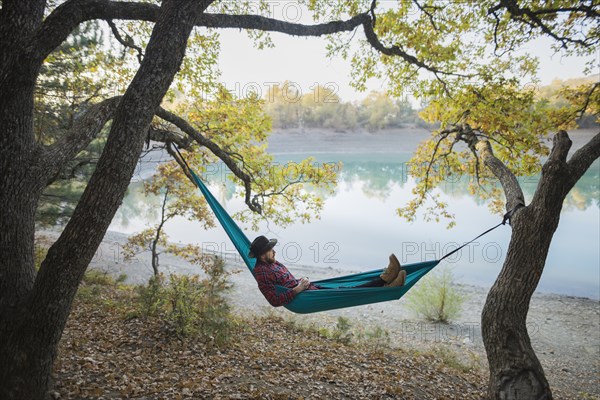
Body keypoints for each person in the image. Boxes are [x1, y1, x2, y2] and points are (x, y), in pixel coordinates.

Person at [249, 235, 407, 307]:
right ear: (263, 254)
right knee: (350, 292)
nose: (274, 252)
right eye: (271, 250)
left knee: (347, 289)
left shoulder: (271, 264)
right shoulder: (262, 272)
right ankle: (386, 282)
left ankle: (387, 280)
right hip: (303, 299)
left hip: (308, 290)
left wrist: (300, 282)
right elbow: (274, 301)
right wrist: (298, 289)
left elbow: (285, 281)